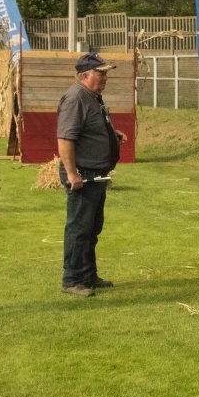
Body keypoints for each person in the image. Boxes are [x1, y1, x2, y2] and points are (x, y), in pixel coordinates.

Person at [57, 52, 127, 297]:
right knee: (79, 228)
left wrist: (111, 135)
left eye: (106, 73)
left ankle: (87, 275)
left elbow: (88, 128)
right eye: (101, 73)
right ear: (85, 75)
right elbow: (65, 138)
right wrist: (72, 173)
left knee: (92, 228)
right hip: (83, 175)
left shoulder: (92, 97)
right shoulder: (76, 98)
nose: (106, 78)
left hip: (95, 174)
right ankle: (72, 280)